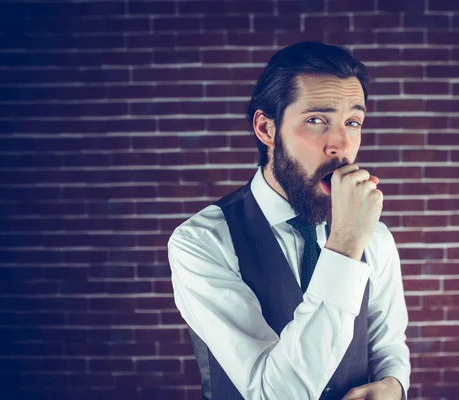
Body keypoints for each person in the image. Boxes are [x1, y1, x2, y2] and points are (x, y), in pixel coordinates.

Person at [168, 41, 410, 400]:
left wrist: (394, 385)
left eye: (353, 122)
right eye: (316, 121)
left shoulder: (375, 237)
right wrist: (344, 245)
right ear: (266, 129)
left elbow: (389, 345)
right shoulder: (202, 242)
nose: (341, 144)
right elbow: (273, 393)